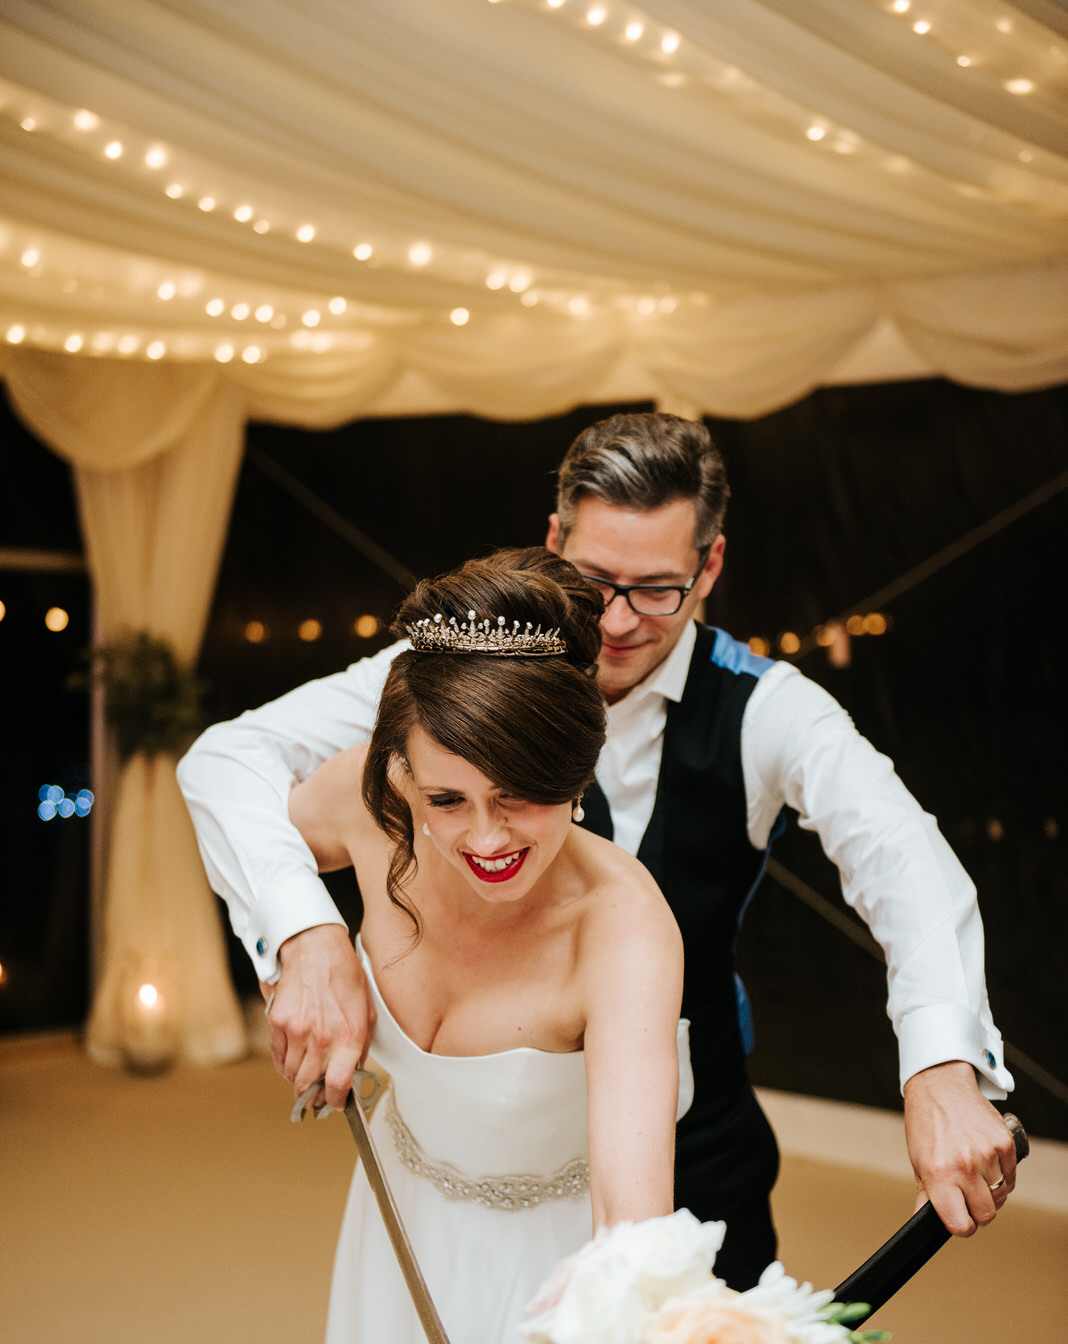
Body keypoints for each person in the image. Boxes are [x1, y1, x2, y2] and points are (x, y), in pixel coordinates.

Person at [178, 411, 1018, 1295]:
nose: (616, 622)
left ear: (711, 567)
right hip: (483, 1149)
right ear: (554, 540)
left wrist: (941, 1068)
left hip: (696, 1150)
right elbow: (231, 758)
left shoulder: (769, 710)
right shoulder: (463, 671)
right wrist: (307, 935)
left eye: (656, 588)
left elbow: (903, 858)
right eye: (592, 580)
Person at [276, 548, 687, 1344]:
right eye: (446, 797)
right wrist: (305, 943)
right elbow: (248, 818)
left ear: (580, 766)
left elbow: (634, 1229)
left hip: (544, 1282)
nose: (487, 838)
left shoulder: (626, 927)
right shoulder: (373, 813)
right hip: (395, 1239)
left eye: (524, 796)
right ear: (401, 773)